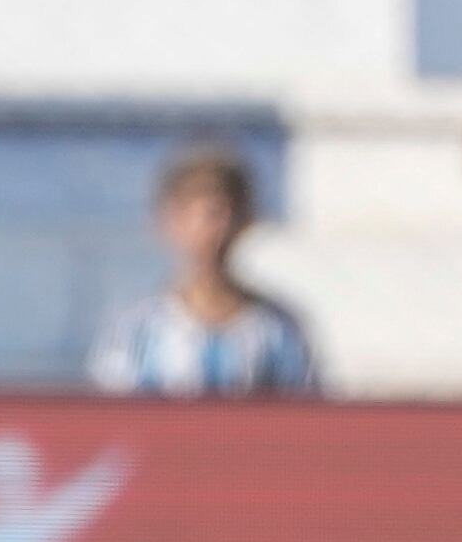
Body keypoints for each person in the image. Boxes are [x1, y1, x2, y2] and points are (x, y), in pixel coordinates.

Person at [88, 138, 317, 397]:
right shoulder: (135, 333)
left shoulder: (277, 331)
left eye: (222, 215)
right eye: (197, 216)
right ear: (168, 221)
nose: (212, 232)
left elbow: (304, 421)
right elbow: (111, 424)